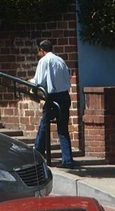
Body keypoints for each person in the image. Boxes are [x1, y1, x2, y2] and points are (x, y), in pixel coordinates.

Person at [29, 38, 75, 169]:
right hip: (64, 95)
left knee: (44, 124)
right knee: (62, 128)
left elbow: (39, 80)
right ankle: (67, 159)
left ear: (41, 50)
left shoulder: (44, 61)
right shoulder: (60, 60)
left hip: (53, 96)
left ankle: (37, 152)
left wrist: (30, 83)